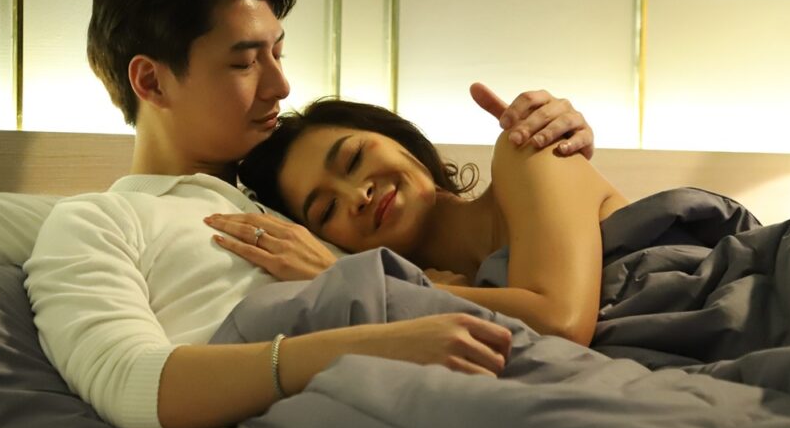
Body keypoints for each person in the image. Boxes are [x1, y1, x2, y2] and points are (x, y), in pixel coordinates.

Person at [23, 0, 599, 428]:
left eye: (278, 53)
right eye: (245, 62)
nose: (280, 86)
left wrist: (560, 164)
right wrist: (364, 340)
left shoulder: (299, 207)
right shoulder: (100, 222)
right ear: (151, 82)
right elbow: (130, 381)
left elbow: (503, 274)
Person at [224, 95, 629, 347]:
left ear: (397, 138)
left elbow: (560, 324)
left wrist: (360, 281)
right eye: (327, 210)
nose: (358, 196)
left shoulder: (527, 152)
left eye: (354, 158)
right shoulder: (424, 326)